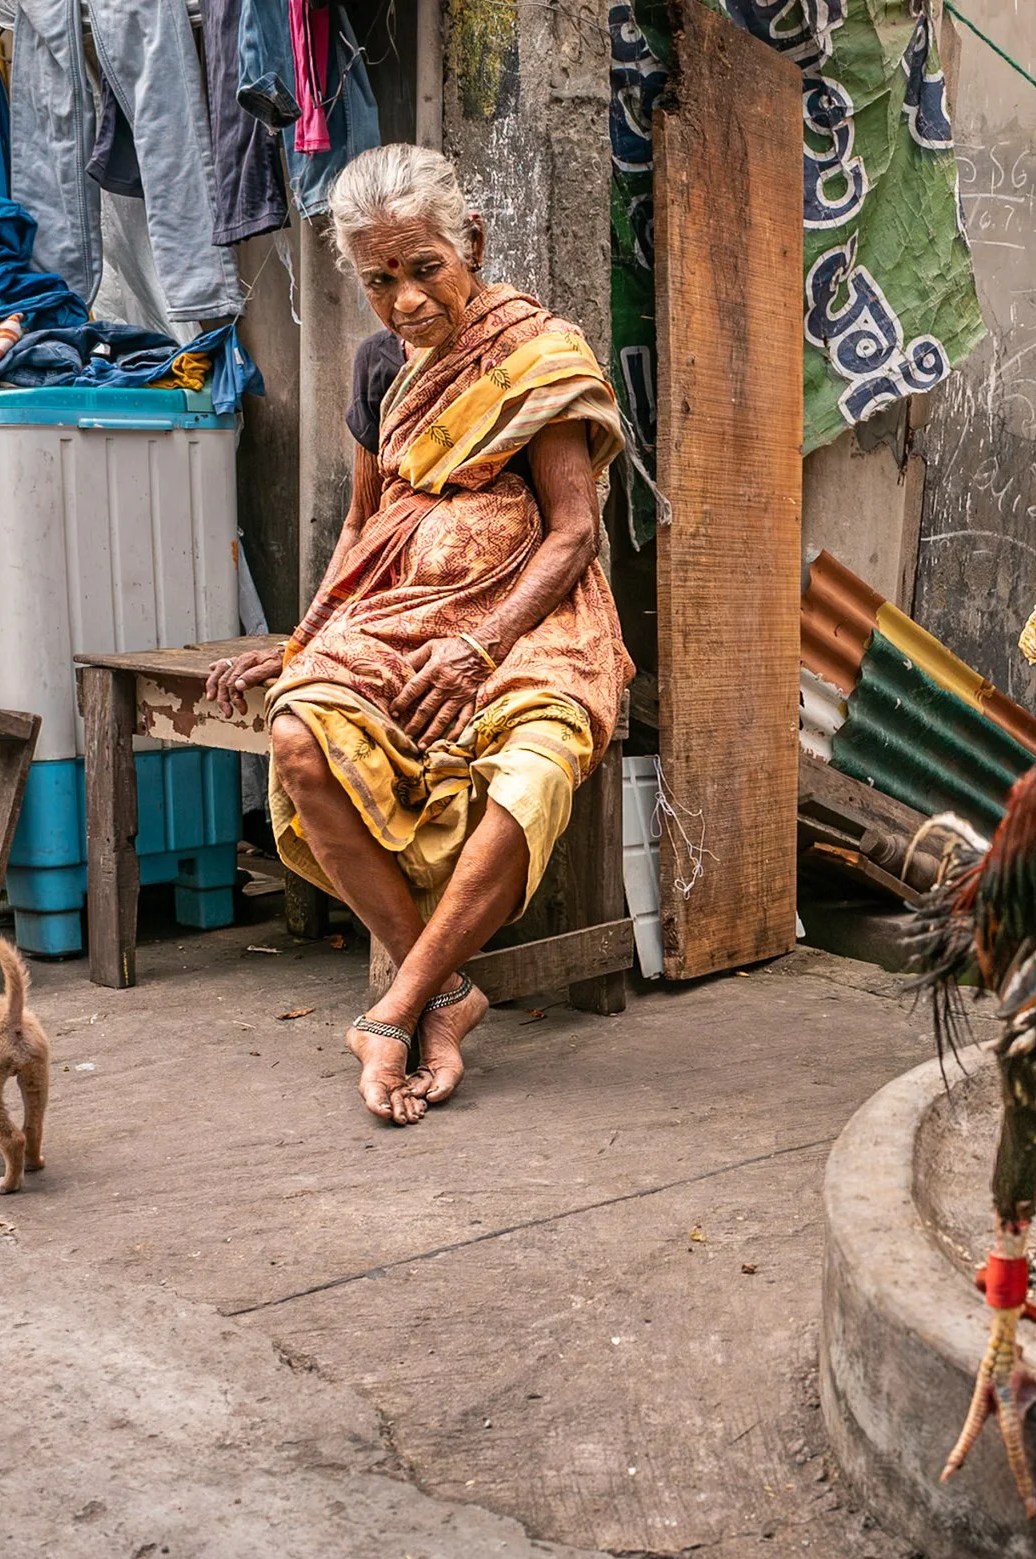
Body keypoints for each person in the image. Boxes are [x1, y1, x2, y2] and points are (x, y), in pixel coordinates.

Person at [205, 144, 629, 1126]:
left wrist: (482, 645)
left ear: (470, 241)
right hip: (394, 611)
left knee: (537, 764)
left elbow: (574, 531)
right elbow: (363, 523)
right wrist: (305, 638)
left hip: (530, 615)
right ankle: (444, 996)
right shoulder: (377, 367)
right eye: (378, 280)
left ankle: (392, 1009)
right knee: (299, 734)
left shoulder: (535, 354)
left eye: (424, 268)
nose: (404, 300)